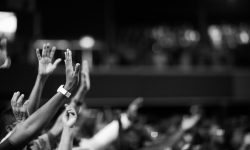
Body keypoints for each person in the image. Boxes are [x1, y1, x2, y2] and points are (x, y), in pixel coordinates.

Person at [0, 46, 80, 150]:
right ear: (8, 129)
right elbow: (29, 128)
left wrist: (41, 78)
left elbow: (30, 126)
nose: (24, 123)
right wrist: (67, 89)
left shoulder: (34, 144)